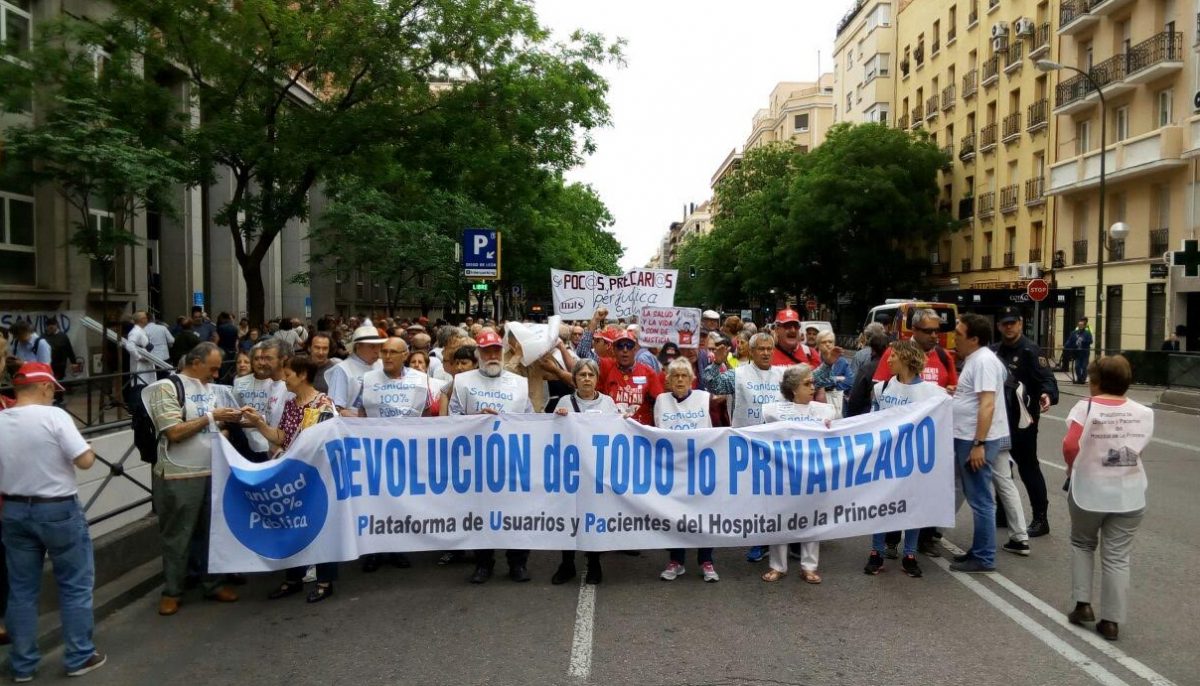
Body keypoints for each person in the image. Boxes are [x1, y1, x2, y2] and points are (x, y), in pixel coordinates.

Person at [0, 363, 107, 680]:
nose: (53, 397)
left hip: (15, 511)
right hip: (57, 508)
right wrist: (89, 448)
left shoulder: (1, 419)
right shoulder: (55, 417)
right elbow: (85, 462)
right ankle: (78, 656)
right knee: (74, 585)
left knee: (20, 590)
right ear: (45, 387)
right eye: (53, 391)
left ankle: (22, 665)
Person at [142, 342, 241, 615]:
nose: (216, 374)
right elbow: (173, 432)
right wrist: (212, 417)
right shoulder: (167, 388)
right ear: (195, 363)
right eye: (213, 368)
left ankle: (212, 582)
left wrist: (223, 427)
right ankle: (173, 589)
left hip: (211, 470)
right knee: (178, 534)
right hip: (179, 474)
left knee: (211, 532)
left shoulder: (210, 389)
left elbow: (214, 426)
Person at [1062, 355, 1152, 642]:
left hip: (1090, 489)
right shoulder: (1144, 412)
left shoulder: (1086, 407)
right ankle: (1111, 621)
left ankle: (1082, 604)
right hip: (1129, 491)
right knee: (1117, 556)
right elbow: (1137, 449)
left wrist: (1071, 467)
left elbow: (1069, 444)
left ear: (1096, 382)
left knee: (1082, 543)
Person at [245, 356, 339, 603]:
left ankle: (324, 580)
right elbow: (281, 437)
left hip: (315, 476)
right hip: (291, 476)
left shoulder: (324, 405)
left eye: (288, 375)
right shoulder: (290, 404)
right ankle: (293, 578)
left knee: (320, 527)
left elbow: (325, 444)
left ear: (303, 375)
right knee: (292, 526)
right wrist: (258, 423)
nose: (284, 380)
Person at [449, 331, 535, 584]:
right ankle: (484, 563)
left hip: (512, 461)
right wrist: (476, 418)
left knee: (516, 514)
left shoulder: (519, 383)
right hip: (477, 462)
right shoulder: (463, 382)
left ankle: (518, 563)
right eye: (487, 351)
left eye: (496, 350)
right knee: (480, 514)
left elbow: (531, 419)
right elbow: (452, 419)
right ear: (478, 354)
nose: (492, 356)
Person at [871, 308, 957, 556]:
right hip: (890, 450)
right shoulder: (894, 352)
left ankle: (919, 544)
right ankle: (885, 543)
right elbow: (878, 395)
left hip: (919, 451)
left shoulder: (943, 355)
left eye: (937, 331)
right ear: (915, 330)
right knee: (887, 500)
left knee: (915, 501)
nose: (934, 336)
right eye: (928, 331)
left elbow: (953, 390)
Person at [863, 340, 945, 578]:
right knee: (881, 506)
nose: (887, 360)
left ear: (908, 359)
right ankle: (876, 552)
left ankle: (910, 554)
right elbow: (872, 420)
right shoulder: (883, 388)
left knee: (912, 506)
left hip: (913, 460)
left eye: (893, 356)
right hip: (886, 459)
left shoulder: (932, 393)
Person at [758, 364, 834, 584]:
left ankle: (809, 566)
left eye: (813, 383)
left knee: (812, 519)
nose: (813, 387)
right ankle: (777, 566)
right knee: (780, 519)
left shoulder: (824, 411)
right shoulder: (773, 411)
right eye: (807, 383)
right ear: (793, 389)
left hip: (813, 473)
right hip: (783, 475)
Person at [949, 313, 1010, 573]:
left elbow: (987, 404)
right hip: (969, 436)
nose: (955, 339)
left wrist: (979, 443)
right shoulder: (977, 360)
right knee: (978, 496)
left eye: (960, 335)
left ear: (974, 339)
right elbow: (977, 399)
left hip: (974, 440)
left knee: (981, 499)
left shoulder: (983, 361)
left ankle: (984, 557)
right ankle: (979, 549)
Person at [992, 306, 1059, 539]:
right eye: (1004, 323)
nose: (1009, 327)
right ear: (999, 326)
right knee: (1002, 468)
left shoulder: (1031, 351)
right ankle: (1002, 512)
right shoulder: (994, 351)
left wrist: (1047, 395)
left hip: (1023, 422)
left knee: (1028, 468)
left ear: (1020, 323)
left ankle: (1041, 518)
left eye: (1013, 322)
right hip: (999, 421)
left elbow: (1047, 380)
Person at [551, 358, 617, 585]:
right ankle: (566, 563)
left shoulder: (608, 403)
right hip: (571, 473)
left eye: (591, 375)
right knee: (568, 517)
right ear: (575, 379)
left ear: (597, 379)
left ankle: (594, 563)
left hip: (596, 474)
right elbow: (552, 435)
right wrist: (556, 419)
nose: (587, 379)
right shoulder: (564, 402)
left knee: (593, 518)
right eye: (582, 375)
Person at [654, 359, 719, 582]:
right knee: (675, 516)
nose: (680, 379)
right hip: (673, 469)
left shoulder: (703, 398)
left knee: (704, 515)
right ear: (668, 380)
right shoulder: (662, 400)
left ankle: (706, 561)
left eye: (684, 375)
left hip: (700, 467)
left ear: (692, 379)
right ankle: (677, 561)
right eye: (675, 376)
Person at [577, 309, 662, 425]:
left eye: (629, 345)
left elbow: (660, 404)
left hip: (640, 434)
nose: (625, 350)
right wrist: (595, 320)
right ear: (614, 349)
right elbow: (583, 352)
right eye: (620, 346)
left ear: (635, 349)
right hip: (613, 431)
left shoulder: (648, 372)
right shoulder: (606, 366)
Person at [232, 339, 290, 461]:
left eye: (268, 358)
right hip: (271, 455)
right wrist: (256, 419)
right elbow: (272, 420)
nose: (261, 363)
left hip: (286, 459)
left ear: (283, 359)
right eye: (259, 358)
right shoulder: (269, 385)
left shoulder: (291, 387)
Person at [325, 322, 386, 417]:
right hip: (353, 427)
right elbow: (335, 408)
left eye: (379, 346)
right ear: (358, 346)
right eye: (372, 346)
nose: (376, 350)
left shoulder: (382, 365)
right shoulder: (342, 369)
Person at [814, 330, 852, 417]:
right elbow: (814, 381)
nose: (827, 344)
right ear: (818, 345)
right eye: (824, 342)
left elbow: (849, 381)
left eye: (830, 342)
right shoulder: (815, 360)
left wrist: (827, 385)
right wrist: (836, 379)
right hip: (817, 404)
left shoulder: (842, 361)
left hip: (837, 402)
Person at [1064, 318, 1093, 384]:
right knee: (1077, 366)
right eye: (1079, 325)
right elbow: (1070, 340)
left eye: (1081, 325)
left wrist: (1083, 341)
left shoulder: (1087, 333)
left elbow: (1090, 341)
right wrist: (1065, 346)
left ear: (1084, 326)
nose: (1080, 326)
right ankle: (1079, 379)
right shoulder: (1074, 333)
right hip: (1077, 353)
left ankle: (1082, 379)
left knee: (1084, 366)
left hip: (1084, 352)